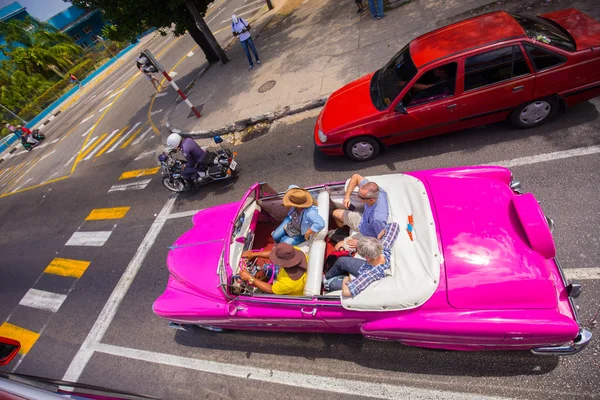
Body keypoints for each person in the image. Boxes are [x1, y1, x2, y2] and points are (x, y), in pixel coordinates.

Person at [323, 222, 400, 296]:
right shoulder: (384, 247)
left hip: (366, 272)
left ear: (367, 257)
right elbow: (394, 226)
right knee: (341, 261)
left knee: (332, 285)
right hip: (370, 265)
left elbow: (347, 292)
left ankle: (326, 283)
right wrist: (380, 235)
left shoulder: (369, 274)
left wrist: (346, 279)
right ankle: (326, 277)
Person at [332, 174, 389, 250]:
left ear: (371, 199)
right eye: (358, 194)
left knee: (338, 247)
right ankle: (343, 232)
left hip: (367, 236)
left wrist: (359, 243)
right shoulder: (379, 191)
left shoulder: (377, 219)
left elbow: (380, 240)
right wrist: (347, 197)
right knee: (335, 213)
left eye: (360, 196)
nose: (356, 196)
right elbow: (356, 177)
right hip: (363, 221)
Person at [238, 243, 308, 295]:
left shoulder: (288, 283)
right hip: (283, 277)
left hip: (286, 291)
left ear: (283, 263)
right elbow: (275, 254)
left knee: (260, 295)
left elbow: (270, 289)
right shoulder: (296, 253)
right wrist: (254, 254)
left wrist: (250, 278)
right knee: (266, 268)